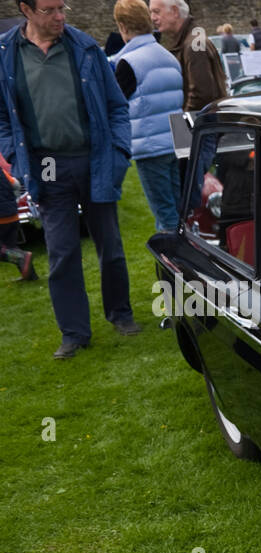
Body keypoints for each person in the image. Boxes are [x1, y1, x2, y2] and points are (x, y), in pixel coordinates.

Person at [0, 0, 136, 358]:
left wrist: (119, 153)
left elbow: (117, 106)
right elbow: (2, 116)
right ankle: (74, 334)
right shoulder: (6, 55)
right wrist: (15, 156)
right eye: (49, 9)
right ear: (25, 10)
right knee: (61, 251)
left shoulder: (86, 48)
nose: (59, 16)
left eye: (62, 7)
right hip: (46, 164)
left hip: (93, 158)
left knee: (110, 245)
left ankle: (121, 315)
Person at [110, 0, 182, 232]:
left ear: (123, 26)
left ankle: (176, 266)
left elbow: (115, 104)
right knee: (180, 212)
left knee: (166, 217)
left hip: (152, 147)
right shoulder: (169, 57)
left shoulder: (128, 63)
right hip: (179, 141)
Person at [150, 0, 226, 111]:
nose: (152, 17)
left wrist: (183, 122)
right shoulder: (191, 40)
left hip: (205, 124)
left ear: (175, 11)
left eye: (156, 12)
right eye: (151, 12)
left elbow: (201, 96)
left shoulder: (194, 45)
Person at [0, 165, 36, 280]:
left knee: (8, 252)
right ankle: (31, 276)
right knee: (10, 246)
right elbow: (15, 184)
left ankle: (22, 257)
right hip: (12, 214)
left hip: (1, 217)